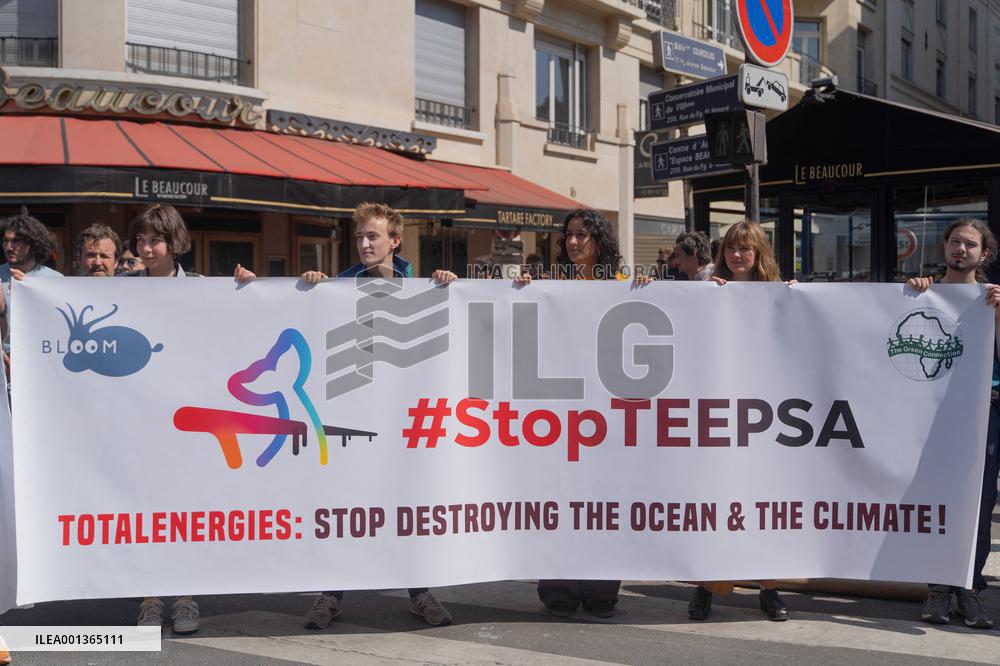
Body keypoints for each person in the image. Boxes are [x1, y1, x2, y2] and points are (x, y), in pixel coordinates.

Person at [299, 202, 455, 629]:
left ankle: (420, 592)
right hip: (354, 419)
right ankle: (331, 594)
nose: (365, 244)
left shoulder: (422, 286)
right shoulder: (338, 287)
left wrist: (450, 285)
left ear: (395, 241)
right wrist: (312, 288)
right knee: (348, 507)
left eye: (373, 236)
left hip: (405, 421)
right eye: (360, 237)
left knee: (408, 507)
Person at [127, 204, 253, 634]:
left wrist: (246, 289)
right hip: (141, 418)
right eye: (141, 240)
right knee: (145, 508)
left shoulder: (200, 287)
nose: (147, 249)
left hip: (190, 421)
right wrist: (28, 290)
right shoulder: (122, 288)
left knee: (185, 509)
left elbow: (237, 326)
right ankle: (149, 599)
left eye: (155, 240)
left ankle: (185, 598)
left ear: (174, 242)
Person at [515, 208, 636, 617]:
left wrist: (648, 290)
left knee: (602, 502)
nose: (573, 241)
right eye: (569, 234)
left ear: (599, 240)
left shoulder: (621, 284)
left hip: (606, 413)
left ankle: (601, 590)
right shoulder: (552, 284)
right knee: (560, 499)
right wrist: (522, 290)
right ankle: (560, 587)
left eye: (582, 234)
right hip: (560, 412)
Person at [690, 220, 792, 622]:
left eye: (745, 248)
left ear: (759, 253)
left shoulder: (781, 295)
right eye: (731, 247)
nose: (737, 255)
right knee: (717, 503)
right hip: (720, 414)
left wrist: (798, 300)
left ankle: (769, 589)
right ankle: (706, 588)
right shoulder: (708, 291)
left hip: (766, 417)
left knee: (764, 506)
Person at [907, 217, 998, 630]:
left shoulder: (991, 300)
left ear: (984, 254)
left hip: (984, 412)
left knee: (978, 500)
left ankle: (969, 587)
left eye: (970, 244)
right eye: (955, 242)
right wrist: (911, 295)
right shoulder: (921, 293)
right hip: (930, 412)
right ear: (944, 247)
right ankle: (938, 588)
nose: (961, 249)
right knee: (932, 496)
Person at [0, 209, 62, 352]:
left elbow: (59, 325)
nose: (9, 247)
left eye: (16, 241)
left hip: (40, 355)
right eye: (5, 241)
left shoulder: (55, 280)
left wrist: (31, 291)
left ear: (33, 244)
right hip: (4, 357)